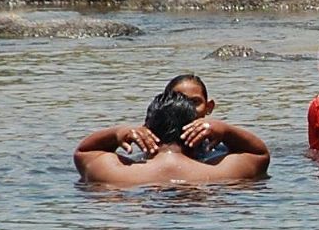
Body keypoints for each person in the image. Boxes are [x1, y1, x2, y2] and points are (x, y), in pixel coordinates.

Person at [75, 77, 269, 187]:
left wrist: (118, 133)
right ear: (198, 128)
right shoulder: (221, 173)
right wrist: (226, 131)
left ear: (147, 129)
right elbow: (259, 154)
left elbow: (84, 152)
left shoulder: (115, 174)